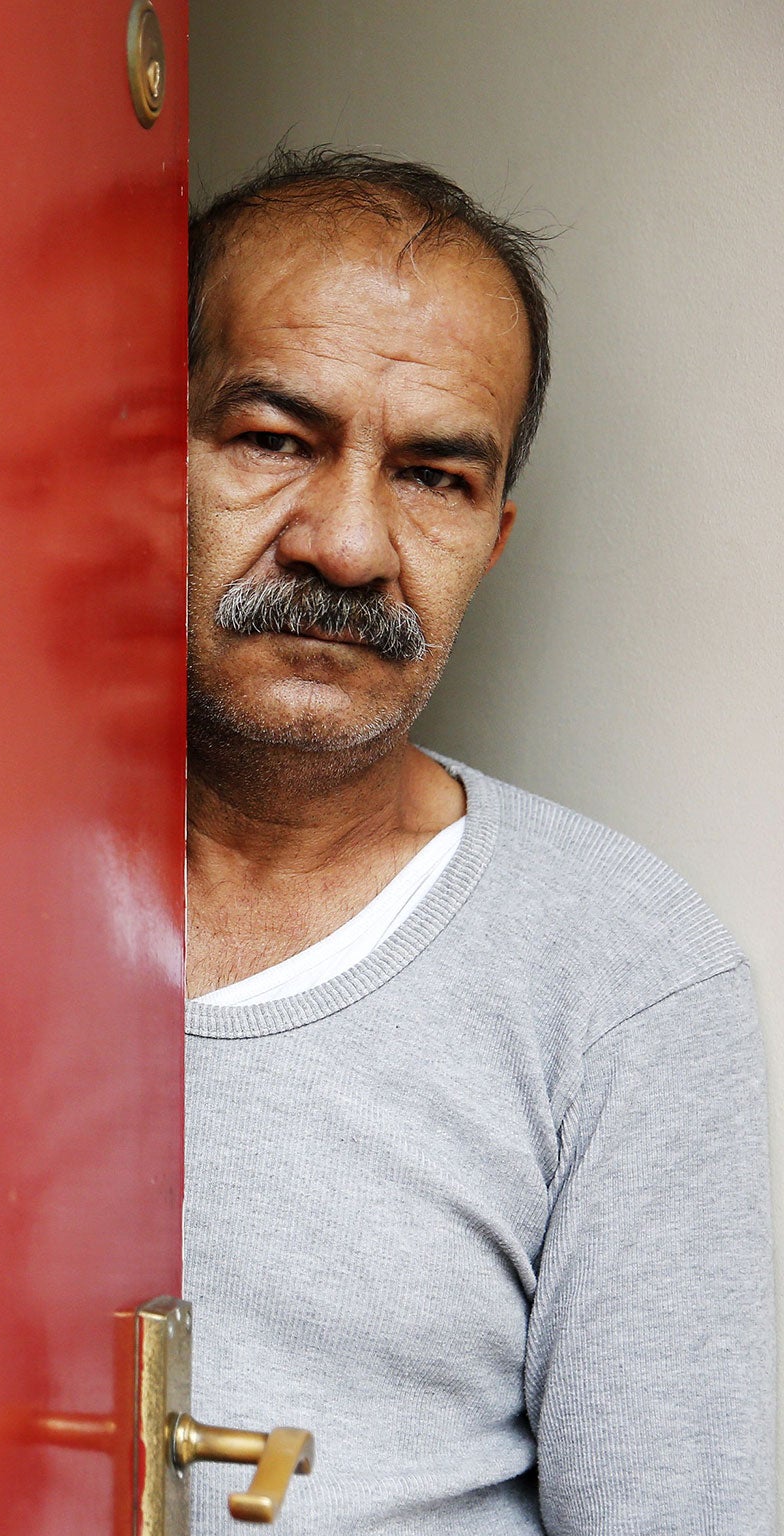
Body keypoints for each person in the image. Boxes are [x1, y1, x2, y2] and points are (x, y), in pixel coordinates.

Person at [182, 149, 775, 1533]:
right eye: (274, 439)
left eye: (435, 476)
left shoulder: (626, 980)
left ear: (495, 534)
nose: (345, 544)